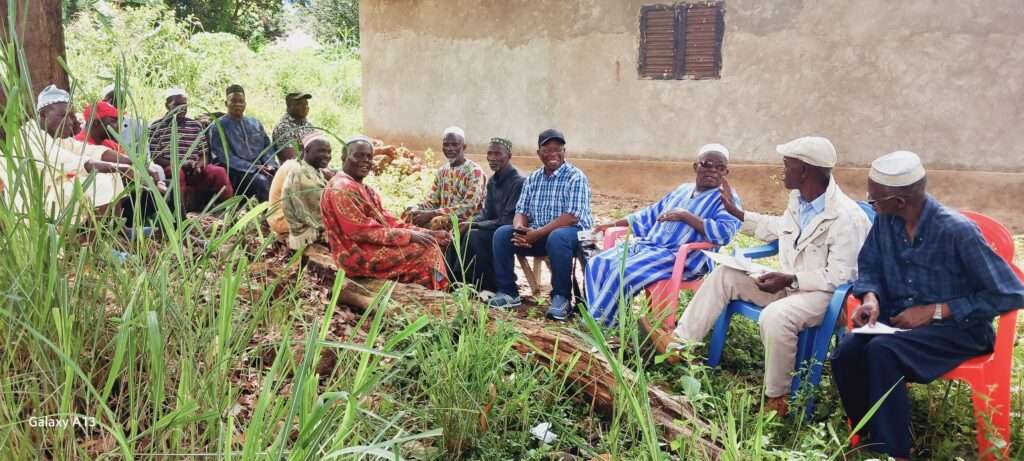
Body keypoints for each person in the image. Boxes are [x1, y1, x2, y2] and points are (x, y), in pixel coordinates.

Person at [831, 151, 1024, 461]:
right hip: (900, 328)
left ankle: (892, 453)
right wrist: (871, 299)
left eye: (874, 199)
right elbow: (870, 267)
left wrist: (936, 310)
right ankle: (868, 434)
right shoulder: (886, 222)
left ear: (900, 201)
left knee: (883, 350)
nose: (870, 204)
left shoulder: (957, 232)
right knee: (847, 352)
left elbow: (1011, 293)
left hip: (960, 331)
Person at [668, 136, 871, 416]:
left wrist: (789, 279)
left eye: (787, 165)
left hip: (826, 298)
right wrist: (737, 213)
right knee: (725, 275)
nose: (782, 171)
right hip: (791, 286)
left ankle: (778, 398)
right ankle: (679, 345)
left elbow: (841, 275)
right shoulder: (800, 201)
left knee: (776, 316)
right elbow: (777, 227)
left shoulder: (848, 218)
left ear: (805, 170)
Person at [586, 144, 741, 327]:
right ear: (696, 166)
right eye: (707, 164)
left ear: (726, 172)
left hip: (681, 258)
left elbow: (724, 234)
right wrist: (611, 225)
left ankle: (602, 326)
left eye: (720, 167)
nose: (713, 170)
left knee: (622, 272)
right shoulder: (683, 189)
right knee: (597, 263)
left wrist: (685, 216)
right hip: (648, 247)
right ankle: (608, 319)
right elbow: (649, 215)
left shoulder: (726, 199)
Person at [487, 128, 593, 320]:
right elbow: (521, 211)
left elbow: (571, 217)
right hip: (540, 236)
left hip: (573, 235)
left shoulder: (576, 177)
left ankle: (561, 298)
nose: (553, 154)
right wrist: (520, 230)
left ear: (564, 151)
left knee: (558, 237)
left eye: (557, 149)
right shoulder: (533, 178)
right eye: (547, 150)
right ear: (539, 153)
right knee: (502, 234)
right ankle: (508, 292)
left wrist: (537, 233)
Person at [320, 136, 450, 289]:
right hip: (356, 255)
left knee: (432, 242)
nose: (365, 160)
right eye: (358, 155)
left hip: (369, 246)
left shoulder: (364, 188)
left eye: (369, 156)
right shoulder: (342, 188)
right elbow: (361, 231)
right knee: (426, 250)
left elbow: (387, 220)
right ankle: (433, 294)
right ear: (343, 158)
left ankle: (431, 290)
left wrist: (428, 233)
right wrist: (409, 236)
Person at [2, 84, 133, 219]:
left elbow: (91, 151)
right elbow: (74, 162)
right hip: (34, 207)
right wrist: (121, 168)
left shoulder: (56, 137)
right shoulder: (30, 137)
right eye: (63, 115)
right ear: (43, 114)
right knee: (99, 181)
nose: (70, 122)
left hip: (54, 193)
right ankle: (98, 233)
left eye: (71, 116)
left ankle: (117, 226)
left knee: (111, 174)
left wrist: (131, 162)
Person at [445, 137, 525, 294]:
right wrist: (467, 223)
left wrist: (474, 224)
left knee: (474, 236)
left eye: (497, 154)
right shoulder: (493, 181)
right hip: (493, 227)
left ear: (509, 156)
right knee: (458, 232)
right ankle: (455, 281)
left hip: (509, 229)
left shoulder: (518, 182)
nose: (492, 158)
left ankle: (485, 285)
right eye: (490, 154)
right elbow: (485, 214)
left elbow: (507, 220)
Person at [149, 88, 234, 213]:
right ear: (167, 105)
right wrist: (181, 163)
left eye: (184, 105)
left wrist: (199, 164)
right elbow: (156, 157)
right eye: (177, 105)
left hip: (194, 169)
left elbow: (204, 153)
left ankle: (230, 210)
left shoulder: (195, 125)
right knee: (177, 172)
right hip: (172, 167)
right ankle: (180, 215)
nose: (182, 108)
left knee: (219, 171)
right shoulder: (156, 127)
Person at [404, 126, 486, 230]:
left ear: (464, 147)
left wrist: (432, 214)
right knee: (410, 213)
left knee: (438, 222)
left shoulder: (474, 172)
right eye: (446, 144)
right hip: (440, 216)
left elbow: (469, 207)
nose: (450, 148)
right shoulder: (442, 171)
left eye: (454, 144)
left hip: (465, 222)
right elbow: (432, 201)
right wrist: (417, 209)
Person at [209, 84, 276, 202]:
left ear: (245, 103)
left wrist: (269, 164)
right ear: (226, 103)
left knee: (283, 174)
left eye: (241, 101)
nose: (238, 104)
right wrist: (253, 168)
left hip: (261, 167)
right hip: (237, 172)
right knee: (261, 181)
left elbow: (267, 147)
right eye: (233, 101)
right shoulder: (218, 126)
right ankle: (268, 212)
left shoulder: (254, 123)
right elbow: (224, 157)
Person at [281, 132, 334, 249]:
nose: (327, 155)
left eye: (329, 152)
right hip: (306, 236)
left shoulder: (312, 169)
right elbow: (317, 213)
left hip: (312, 230)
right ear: (307, 151)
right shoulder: (301, 173)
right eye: (321, 151)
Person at [101, 83, 148, 156]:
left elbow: (144, 154)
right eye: (114, 100)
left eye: (121, 100)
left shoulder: (136, 125)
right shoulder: (97, 124)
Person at [271, 91, 316, 163]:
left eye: (306, 104)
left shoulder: (308, 125)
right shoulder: (283, 128)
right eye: (299, 104)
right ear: (288, 107)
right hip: (295, 168)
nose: (304, 107)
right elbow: (292, 160)